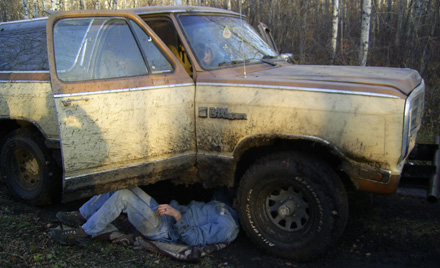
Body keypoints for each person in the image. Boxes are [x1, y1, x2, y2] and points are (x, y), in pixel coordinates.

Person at [50, 187, 239, 247]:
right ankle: (81, 215)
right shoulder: (223, 203)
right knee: (125, 185)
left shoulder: (228, 226)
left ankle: (83, 233)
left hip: (165, 229)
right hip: (164, 214)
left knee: (123, 196)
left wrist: (177, 215)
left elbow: (193, 238)